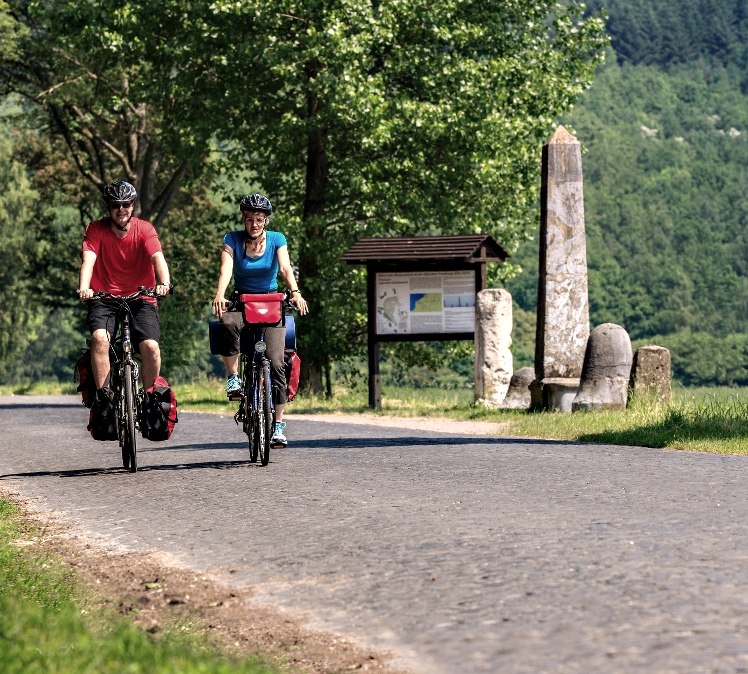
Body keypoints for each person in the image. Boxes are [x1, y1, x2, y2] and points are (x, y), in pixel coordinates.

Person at [211, 193, 308, 448]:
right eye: (250, 219)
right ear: (243, 219)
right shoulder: (232, 239)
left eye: (259, 219)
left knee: (277, 363)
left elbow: (285, 268)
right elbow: (226, 268)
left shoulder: (277, 239)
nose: (254, 224)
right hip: (242, 302)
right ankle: (234, 378)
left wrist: (295, 292)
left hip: (271, 304)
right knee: (227, 323)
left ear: (266, 221)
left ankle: (277, 425)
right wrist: (220, 294)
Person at [77, 180, 172, 409]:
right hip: (103, 298)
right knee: (100, 338)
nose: (121, 209)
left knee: (150, 346)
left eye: (126, 204)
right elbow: (88, 261)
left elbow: (157, 258)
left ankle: (151, 397)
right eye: (116, 204)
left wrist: (164, 283)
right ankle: (105, 398)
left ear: (133, 206)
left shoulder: (145, 229)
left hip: (141, 297)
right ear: (108, 207)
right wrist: (84, 287)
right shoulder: (96, 229)